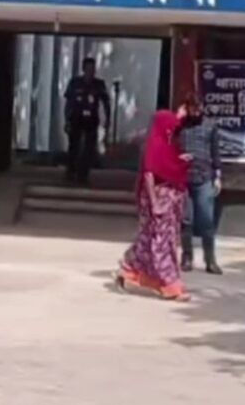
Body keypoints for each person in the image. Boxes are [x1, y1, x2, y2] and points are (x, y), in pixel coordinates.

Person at [116, 109, 191, 302]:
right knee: (160, 242)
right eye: (171, 128)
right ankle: (168, 283)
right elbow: (149, 173)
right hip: (158, 202)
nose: (173, 132)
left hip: (171, 204)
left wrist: (181, 162)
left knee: (156, 241)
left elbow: (171, 168)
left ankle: (131, 270)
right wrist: (155, 203)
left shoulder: (169, 146)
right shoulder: (154, 146)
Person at [178, 95, 223, 275]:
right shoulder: (181, 126)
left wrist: (217, 175)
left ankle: (210, 260)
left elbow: (215, 152)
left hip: (204, 177)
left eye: (198, 107)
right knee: (186, 219)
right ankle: (187, 257)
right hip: (183, 178)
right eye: (192, 107)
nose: (196, 111)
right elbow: (168, 140)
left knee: (206, 220)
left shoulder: (210, 126)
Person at [63, 57, 111, 185]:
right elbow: (68, 103)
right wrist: (67, 119)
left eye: (93, 69)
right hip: (76, 118)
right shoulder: (75, 83)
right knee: (74, 146)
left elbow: (106, 103)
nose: (91, 72)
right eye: (88, 69)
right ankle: (71, 171)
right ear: (83, 69)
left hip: (91, 120)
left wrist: (107, 120)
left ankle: (83, 175)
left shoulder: (99, 84)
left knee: (89, 148)